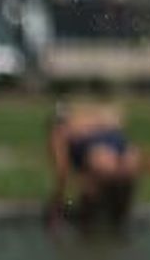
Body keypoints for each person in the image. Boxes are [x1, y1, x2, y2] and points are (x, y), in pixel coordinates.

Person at [45, 99, 139, 231]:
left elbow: (62, 171)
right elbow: (118, 116)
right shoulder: (86, 120)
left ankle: (95, 228)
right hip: (115, 150)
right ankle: (114, 227)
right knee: (120, 175)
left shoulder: (62, 130)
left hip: (103, 152)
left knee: (100, 191)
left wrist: (57, 202)